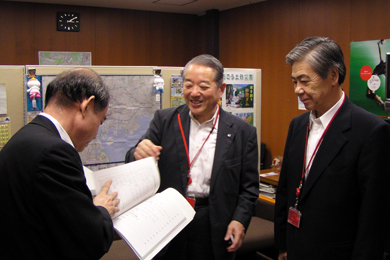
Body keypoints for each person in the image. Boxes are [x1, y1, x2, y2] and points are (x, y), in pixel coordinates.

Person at [125, 54, 259, 260]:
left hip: (213, 221)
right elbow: (134, 160)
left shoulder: (243, 132)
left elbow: (249, 188)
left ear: (221, 90)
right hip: (168, 220)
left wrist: (240, 220)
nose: (194, 93)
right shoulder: (165, 121)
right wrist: (137, 152)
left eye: (203, 86)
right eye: (188, 85)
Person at [274, 36, 390, 260]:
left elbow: (374, 215)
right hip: (296, 248)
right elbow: (285, 190)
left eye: (305, 81)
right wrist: (282, 245)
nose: (297, 90)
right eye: (294, 81)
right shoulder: (297, 126)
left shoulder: (370, 131)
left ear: (333, 76)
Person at [0, 68, 120, 259]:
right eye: (100, 121)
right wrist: (101, 210)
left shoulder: (26, 137)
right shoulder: (55, 153)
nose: (97, 133)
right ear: (86, 106)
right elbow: (90, 241)